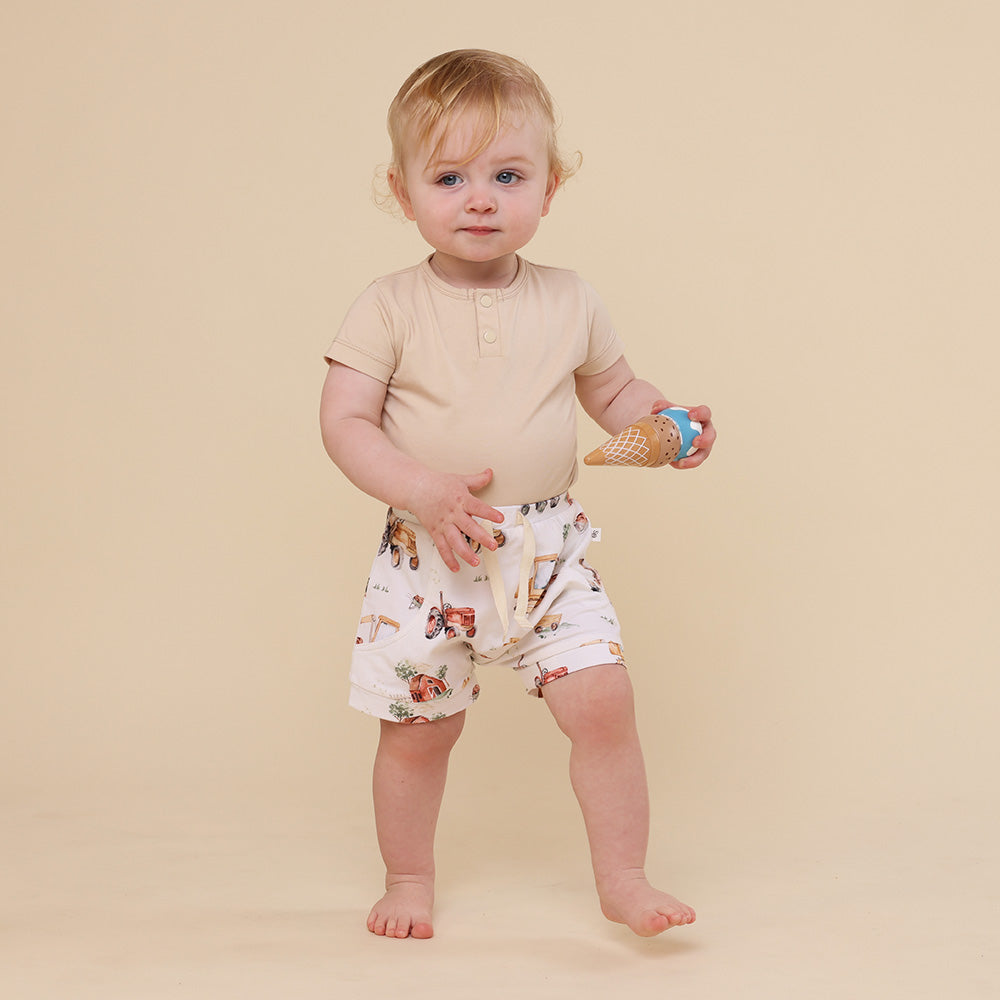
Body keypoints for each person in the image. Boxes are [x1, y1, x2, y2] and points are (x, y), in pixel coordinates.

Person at [320, 49, 715, 940]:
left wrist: (665, 423)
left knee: (603, 702)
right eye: (449, 178)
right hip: (431, 550)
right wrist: (421, 488)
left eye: (507, 176)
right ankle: (408, 876)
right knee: (419, 731)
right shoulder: (388, 306)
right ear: (403, 191)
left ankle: (624, 878)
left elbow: (616, 393)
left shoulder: (571, 299)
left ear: (549, 187)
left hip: (547, 550)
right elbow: (344, 423)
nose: (480, 199)